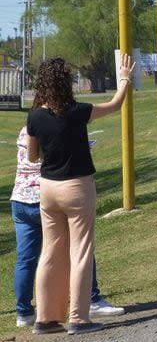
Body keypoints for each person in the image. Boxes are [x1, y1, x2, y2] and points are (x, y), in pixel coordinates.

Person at [26, 54, 134, 335]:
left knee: (50, 252)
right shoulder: (77, 111)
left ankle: (45, 318)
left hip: (48, 189)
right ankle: (78, 318)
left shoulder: (34, 116)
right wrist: (123, 79)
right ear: (65, 83)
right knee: (81, 251)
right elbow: (115, 104)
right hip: (77, 187)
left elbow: (32, 156)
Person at [11, 126, 124, 328]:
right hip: (46, 196)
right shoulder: (56, 129)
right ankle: (91, 299)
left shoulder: (26, 129)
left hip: (20, 199)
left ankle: (24, 312)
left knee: (26, 259)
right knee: (80, 246)